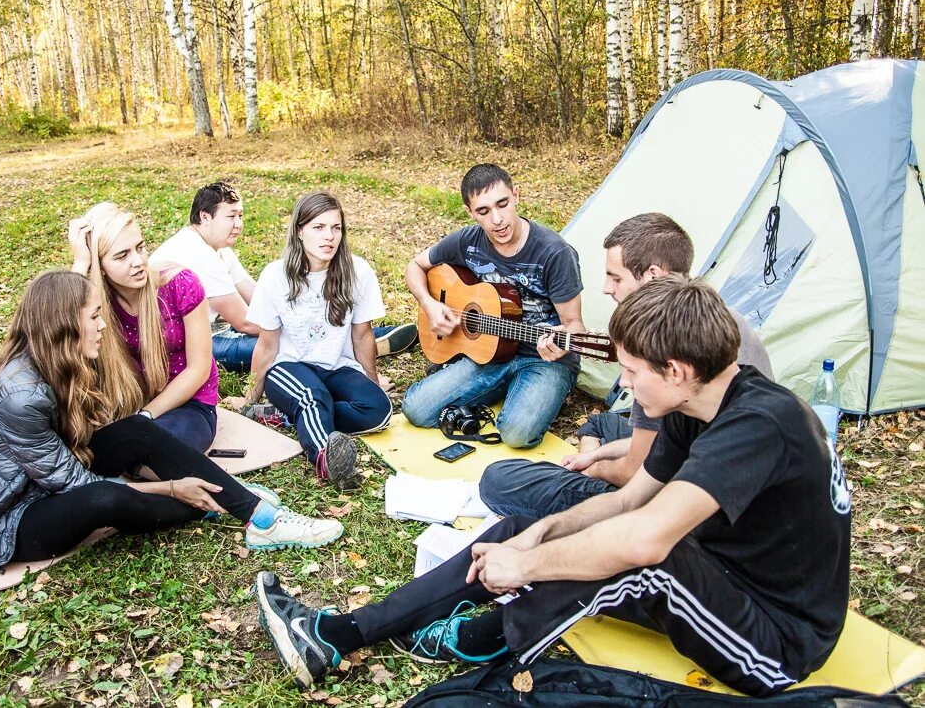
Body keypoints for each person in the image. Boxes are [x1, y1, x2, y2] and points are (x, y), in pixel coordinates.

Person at [255, 276, 850, 697]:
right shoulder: (691, 402)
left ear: (676, 371)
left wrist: (529, 567)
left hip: (775, 640)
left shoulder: (761, 423)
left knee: (643, 555)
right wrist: (531, 540)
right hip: (719, 578)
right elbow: (624, 499)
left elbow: (643, 539)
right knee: (526, 530)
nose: (624, 384)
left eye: (633, 372)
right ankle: (338, 633)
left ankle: (485, 637)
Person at [0, 271, 343, 573]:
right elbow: (73, 486)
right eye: (94, 317)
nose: (102, 324)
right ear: (63, 325)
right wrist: (168, 487)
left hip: (43, 479)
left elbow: (83, 443)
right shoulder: (20, 396)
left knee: (135, 430)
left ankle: (252, 513)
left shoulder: (57, 359)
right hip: (15, 518)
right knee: (108, 499)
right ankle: (218, 501)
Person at [480, 213, 774, 518]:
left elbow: (637, 472)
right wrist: (598, 455)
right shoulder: (707, 309)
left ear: (652, 275)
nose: (606, 288)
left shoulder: (660, 337)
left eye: (615, 277)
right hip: (694, 450)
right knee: (600, 424)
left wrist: (594, 467)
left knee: (499, 480)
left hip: (683, 494)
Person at [401, 164, 585, 448]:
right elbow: (414, 266)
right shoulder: (467, 241)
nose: (497, 219)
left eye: (503, 204)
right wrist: (429, 305)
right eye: (483, 211)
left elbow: (574, 326)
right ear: (470, 212)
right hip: (488, 353)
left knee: (516, 434)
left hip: (543, 359)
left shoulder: (555, 252)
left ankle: (518, 392)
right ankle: (497, 386)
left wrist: (562, 343)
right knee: (416, 409)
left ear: (516, 195)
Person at [149, 181, 418, 373]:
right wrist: (303, 326)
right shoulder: (197, 254)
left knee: (295, 334)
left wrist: (301, 317)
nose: (239, 224)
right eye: (231, 216)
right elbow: (244, 322)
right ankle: (351, 339)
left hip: (218, 329)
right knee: (280, 346)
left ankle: (356, 336)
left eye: (241, 215)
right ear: (204, 217)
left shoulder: (216, 247)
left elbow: (252, 292)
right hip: (192, 341)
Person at [240, 192, 392, 490]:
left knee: (378, 410)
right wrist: (249, 399)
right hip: (289, 368)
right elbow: (267, 345)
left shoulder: (358, 271)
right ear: (299, 230)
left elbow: (362, 335)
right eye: (318, 227)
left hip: (337, 366)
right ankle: (326, 458)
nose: (329, 236)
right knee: (313, 397)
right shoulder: (275, 276)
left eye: (336, 228)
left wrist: (372, 383)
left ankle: (287, 416)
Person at [69, 202, 218, 452]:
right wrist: (81, 264)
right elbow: (61, 336)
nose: (138, 261)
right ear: (101, 267)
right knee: (85, 450)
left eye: (140, 248)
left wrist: (145, 417)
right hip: (124, 404)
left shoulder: (180, 284)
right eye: (121, 255)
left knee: (161, 452)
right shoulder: (94, 299)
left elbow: (199, 368)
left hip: (187, 404)